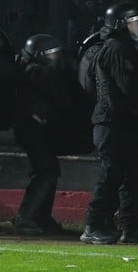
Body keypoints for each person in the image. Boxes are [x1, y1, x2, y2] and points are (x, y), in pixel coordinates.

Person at [80, 2, 138, 245]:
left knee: (130, 177)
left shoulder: (127, 48)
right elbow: (129, 86)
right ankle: (92, 225)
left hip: (123, 122)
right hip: (112, 122)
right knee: (110, 174)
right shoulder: (117, 49)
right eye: (137, 22)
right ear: (123, 24)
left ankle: (129, 228)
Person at [12, 34, 90, 235]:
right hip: (31, 129)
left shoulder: (33, 71)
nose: (57, 59)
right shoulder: (36, 72)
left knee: (48, 170)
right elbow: (62, 98)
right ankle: (26, 217)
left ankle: (40, 216)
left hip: (36, 129)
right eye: (52, 55)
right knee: (46, 170)